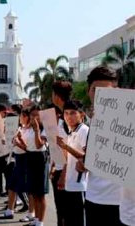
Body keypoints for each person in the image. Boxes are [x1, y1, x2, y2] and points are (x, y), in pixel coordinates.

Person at [78, 66, 124, 226]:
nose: (100, 97)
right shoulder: (93, 124)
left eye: (106, 92)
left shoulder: (129, 123)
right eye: (95, 91)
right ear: (88, 91)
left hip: (123, 205)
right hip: (94, 200)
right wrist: (84, 163)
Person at [56, 100, 89, 226]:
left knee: (79, 221)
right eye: (66, 113)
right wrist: (63, 176)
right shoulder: (71, 132)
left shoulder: (84, 131)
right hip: (70, 185)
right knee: (69, 220)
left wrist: (65, 146)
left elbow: (87, 158)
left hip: (80, 186)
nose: (69, 117)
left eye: (73, 113)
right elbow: (69, 159)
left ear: (81, 115)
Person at [50, 80, 73, 226]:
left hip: (66, 173)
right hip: (60, 169)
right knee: (61, 212)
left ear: (56, 96)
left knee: (65, 213)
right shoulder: (63, 115)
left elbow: (69, 147)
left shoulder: (67, 116)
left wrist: (63, 175)